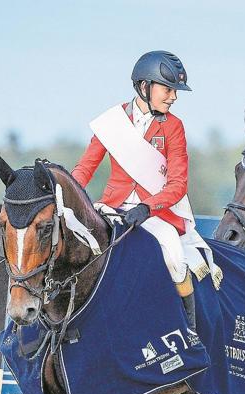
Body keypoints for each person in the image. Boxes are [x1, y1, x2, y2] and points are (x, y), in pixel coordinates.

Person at [71, 50, 198, 331]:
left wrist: (148, 207)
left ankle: (190, 330)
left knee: (176, 258)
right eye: (168, 90)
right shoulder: (111, 122)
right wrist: (65, 195)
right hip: (111, 207)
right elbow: (85, 168)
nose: (173, 98)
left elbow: (177, 184)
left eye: (175, 91)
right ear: (144, 87)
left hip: (153, 213)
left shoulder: (174, 127)